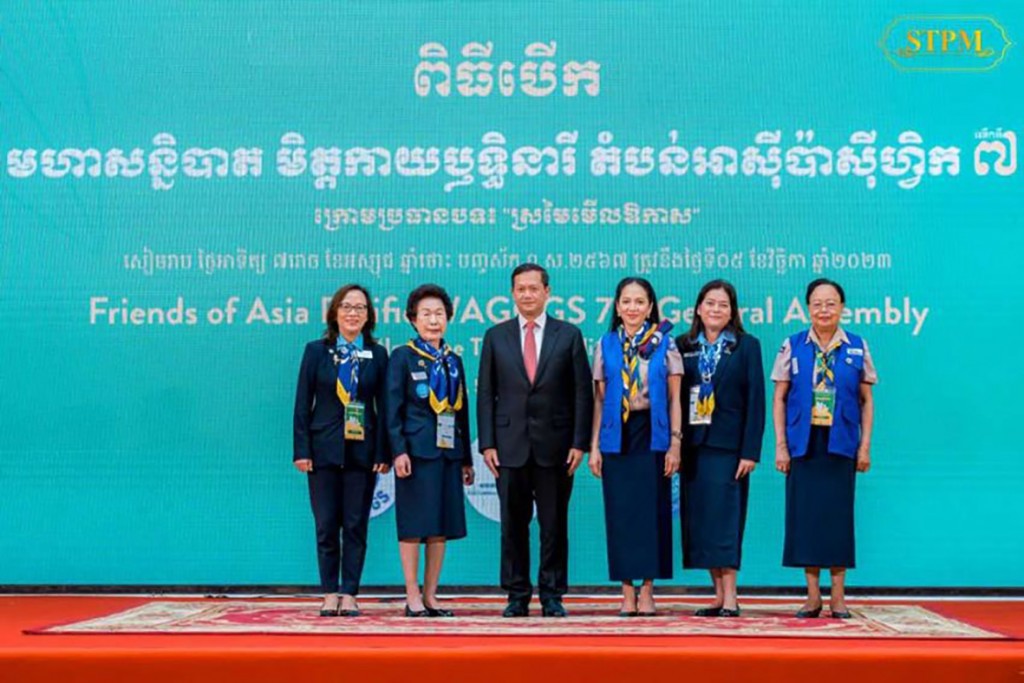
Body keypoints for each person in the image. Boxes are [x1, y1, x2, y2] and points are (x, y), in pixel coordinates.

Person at [477, 263, 593, 618]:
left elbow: (581, 393)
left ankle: (552, 594)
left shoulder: (568, 335)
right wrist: (487, 443)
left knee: (554, 525)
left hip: (556, 448)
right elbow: (486, 394)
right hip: (509, 446)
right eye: (520, 289)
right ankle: (516, 594)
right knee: (513, 525)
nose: (527, 294)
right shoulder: (496, 336)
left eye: (533, 288)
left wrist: (579, 443)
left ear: (547, 292)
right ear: (512, 293)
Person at [772, 278, 877, 619]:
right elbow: (780, 399)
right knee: (806, 520)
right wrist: (781, 446)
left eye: (831, 303)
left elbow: (866, 401)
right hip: (804, 443)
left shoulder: (858, 347)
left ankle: (839, 598)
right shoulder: (793, 345)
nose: (824, 309)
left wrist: (864, 447)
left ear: (842, 307)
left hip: (841, 444)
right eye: (817, 303)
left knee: (837, 520)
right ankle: (813, 596)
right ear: (807, 308)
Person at [293, 284, 391, 617]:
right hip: (321, 452)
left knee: (355, 524)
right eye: (346, 307)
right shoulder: (316, 351)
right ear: (335, 312)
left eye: (360, 308)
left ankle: (350, 592)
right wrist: (301, 450)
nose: (353, 313)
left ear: (369, 316)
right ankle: (329, 592)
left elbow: (385, 407)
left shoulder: (378, 355)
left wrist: (383, 453)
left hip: (363, 453)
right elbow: (303, 404)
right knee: (325, 524)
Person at [589, 277, 682, 617]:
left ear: (650, 306)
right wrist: (595, 446)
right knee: (621, 515)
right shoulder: (606, 344)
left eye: (639, 301)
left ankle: (647, 590)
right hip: (617, 436)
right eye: (626, 301)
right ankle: (626, 591)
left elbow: (675, 398)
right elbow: (598, 400)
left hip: (652, 433)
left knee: (652, 514)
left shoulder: (665, 344)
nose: (632, 308)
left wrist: (675, 444)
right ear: (617, 307)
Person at [676, 279, 765, 617]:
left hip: (729, 448)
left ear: (732, 311)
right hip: (693, 447)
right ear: (699, 308)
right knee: (702, 522)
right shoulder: (682, 345)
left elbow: (756, 401)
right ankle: (716, 595)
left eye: (723, 305)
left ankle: (731, 597)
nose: (716, 309)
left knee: (726, 520)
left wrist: (750, 451)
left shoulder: (746, 346)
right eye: (710, 303)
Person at [386, 284, 474, 617]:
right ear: (412, 319)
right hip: (415, 452)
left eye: (439, 314)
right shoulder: (402, 357)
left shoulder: (454, 360)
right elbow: (393, 408)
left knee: (441, 525)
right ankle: (411, 595)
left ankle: (432, 595)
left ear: (448, 318)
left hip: (448, 453)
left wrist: (466, 458)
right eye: (426, 314)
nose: (433, 321)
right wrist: (398, 451)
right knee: (413, 524)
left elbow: (462, 412)